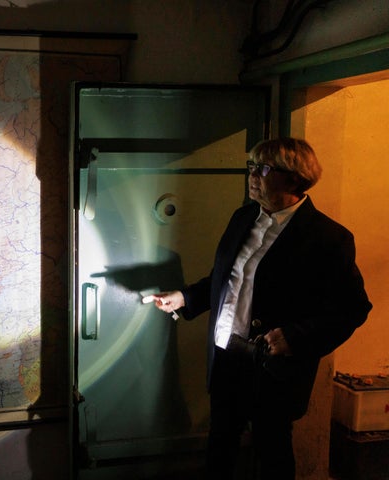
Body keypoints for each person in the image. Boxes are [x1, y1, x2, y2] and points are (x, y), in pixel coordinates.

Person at [148, 137, 371, 479]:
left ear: (295, 178)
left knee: (272, 452)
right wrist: (185, 298)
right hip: (226, 355)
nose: (252, 175)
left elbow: (353, 308)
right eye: (251, 166)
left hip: (273, 365)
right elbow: (228, 281)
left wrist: (296, 337)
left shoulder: (328, 237)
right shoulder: (243, 218)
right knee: (220, 446)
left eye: (263, 168)